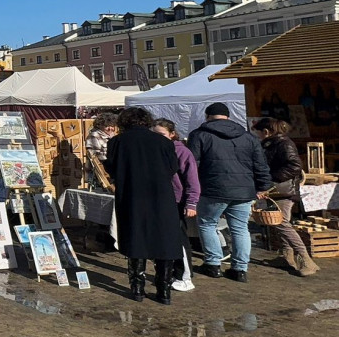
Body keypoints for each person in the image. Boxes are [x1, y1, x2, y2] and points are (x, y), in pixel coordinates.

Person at [105, 107, 184, 303]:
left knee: (135, 238)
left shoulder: (117, 142)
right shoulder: (164, 142)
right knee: (164, 240)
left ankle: (137, 289)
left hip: (132, 196)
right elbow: (172, 168)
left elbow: (112, 168)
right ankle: (164, 291)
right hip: (161, 196)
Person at [187, 102, 272, 282]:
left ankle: (213, 264)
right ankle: (240, 269)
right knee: (240, 229)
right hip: (243, 190)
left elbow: (192, 165)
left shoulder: (199, 135)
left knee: (207, 224)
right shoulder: (248, 137)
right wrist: (263, 186)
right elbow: (260, 165)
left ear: (208, 116)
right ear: (228, 116)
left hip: (212, 189)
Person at [253, 117, 319, 276]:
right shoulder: (273, 144)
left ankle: (305, 258)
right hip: (277, 190)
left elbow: (295, 166)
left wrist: (270, 179)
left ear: (266, 132)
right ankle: (287, 257)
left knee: (281, 222)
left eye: (259, 133)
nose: (258, 137)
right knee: (279, 222)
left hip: (283, 190)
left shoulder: (284, 144)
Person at [151, 119, 201, 292]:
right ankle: (168, 272)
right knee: (162, 238)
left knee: (178, 239)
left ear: (172, 134)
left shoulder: (183, 152)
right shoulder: (153, 151)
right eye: (154, 134)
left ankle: (185, 276)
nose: (158, 138)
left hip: (177, 202)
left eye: (162, 134)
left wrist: (192, 203)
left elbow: (192, 181)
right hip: (160, 201)